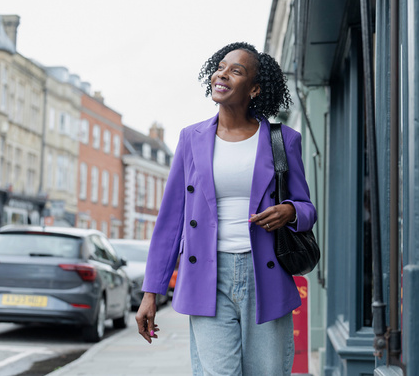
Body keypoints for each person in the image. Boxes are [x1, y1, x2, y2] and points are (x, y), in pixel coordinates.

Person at [135, 42, 317, 376]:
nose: (223, 74)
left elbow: (307, 207)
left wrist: (289, 211)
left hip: (266, 274)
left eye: (236, 70)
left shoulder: (282, 140)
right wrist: (151, 292)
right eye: (220, 67)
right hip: (206, 275)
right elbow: (171, 220)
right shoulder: (191, 139)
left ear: (254, 88)